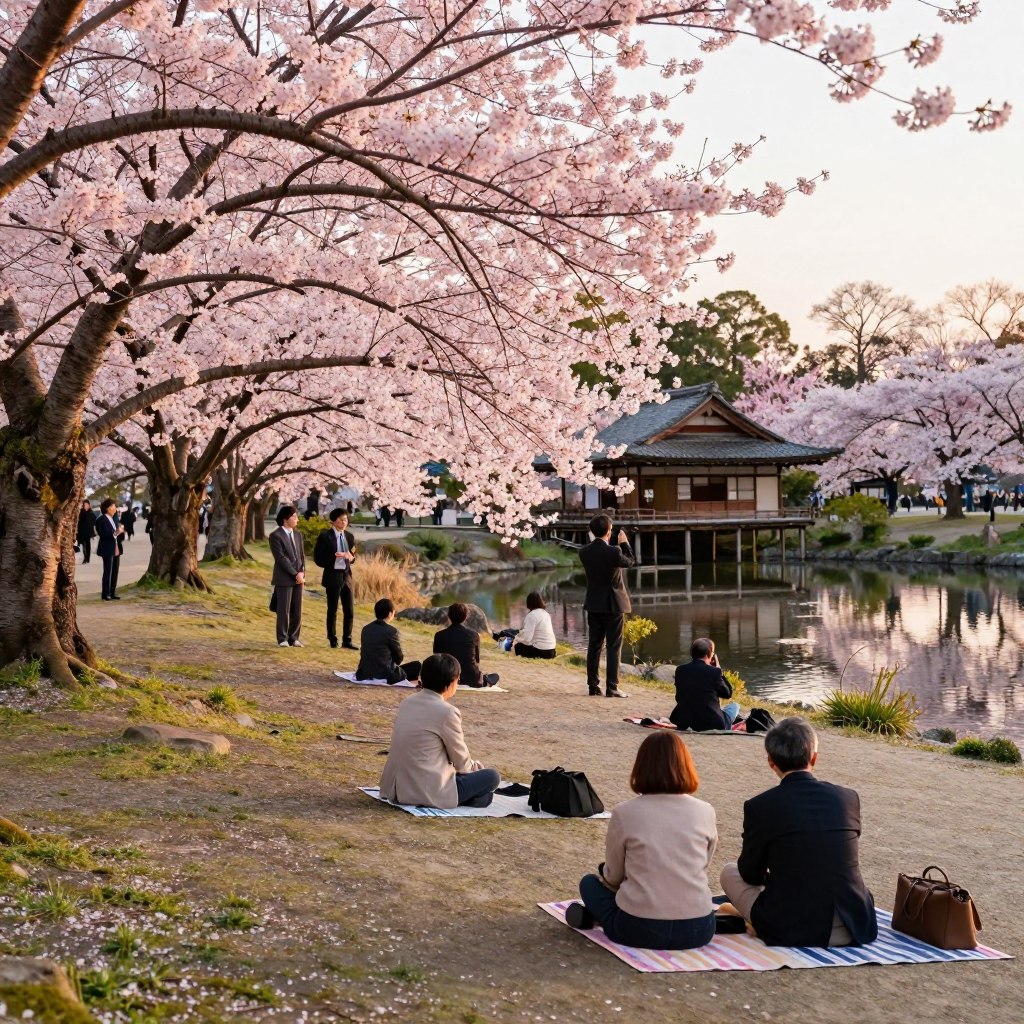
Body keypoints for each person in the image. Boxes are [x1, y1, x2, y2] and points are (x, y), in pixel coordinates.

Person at [720, 717, 877, 948]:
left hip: (793, 928)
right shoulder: (847, 798)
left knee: (729, 872)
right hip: (853, 926)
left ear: (771, 761)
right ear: (814, 757)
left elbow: (750, 874)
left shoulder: (761, 806)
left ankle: (753, 919)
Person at [564, 731, 717, 950]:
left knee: (589, 883)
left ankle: (595, 918)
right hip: (699, 928)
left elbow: (613, 878)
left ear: (641, 767)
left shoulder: (626, 812)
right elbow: (704, 865)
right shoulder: (706, 811)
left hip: (640, 929)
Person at [379, 653, 500, 808]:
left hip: (396, 787)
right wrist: (474, 767)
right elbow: (461, 763)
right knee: (492, 777)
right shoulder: (447, 712)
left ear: (422, 677)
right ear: (451, 683)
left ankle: (471, 797)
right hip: (425, 788)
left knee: (479, 789)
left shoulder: (407, 702)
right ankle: (466, 798)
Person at [579, 513, 634, 698]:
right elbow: (630, 561)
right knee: (613, 646)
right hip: (613, 604)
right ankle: (612, 687)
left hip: (593, 603)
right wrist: (624, 543)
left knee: (594, 645)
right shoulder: (614, 552)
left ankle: (593, 686)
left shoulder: (584, 551)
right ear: (609, 531)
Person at [670, 637, 741, 731]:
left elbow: (679, 696)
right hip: (711, 723)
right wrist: (720, 671)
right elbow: (727, 694)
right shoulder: (714, 672)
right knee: (735, 706)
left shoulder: (680, 670)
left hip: (685, 721)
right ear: (709, 654)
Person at [313, 509, 358, 650]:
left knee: (349, 610)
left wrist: (351, 558)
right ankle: (332, 639)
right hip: (333, 576)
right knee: (332, 610)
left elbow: (353, 556)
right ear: (334, 521)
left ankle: (347, 640)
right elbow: (318, 559)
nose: (344, 522)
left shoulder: (349, 536)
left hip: (347, 576)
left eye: (346, 519)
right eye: (341, 520)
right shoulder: (325, 536)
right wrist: (335, 557)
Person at [356, 598, 421, 684]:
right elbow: (399, 658)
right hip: (384, 674)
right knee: (417, 666)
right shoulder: (392, 631)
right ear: (390, 613)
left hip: (363, 673)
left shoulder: (366, 629)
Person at [433, 603, 498, 688]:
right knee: (495, 676)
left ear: (449, 616)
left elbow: (436, 658)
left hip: (446, 676)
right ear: (465, 617)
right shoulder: (474, 635)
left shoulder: (439, 635)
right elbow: (477, 660)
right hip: (471, 678)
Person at [269, 505, 305, 647]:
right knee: (283, 610)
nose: (296, 519)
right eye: (294, 516)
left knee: (297, 609)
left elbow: (301, 556)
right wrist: (295, 573)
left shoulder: (297, 534)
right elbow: (281, 558)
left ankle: (294, 637)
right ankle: (282, 638)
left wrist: (301, 572)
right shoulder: (275, 536)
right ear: (285, 519)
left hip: (299, 577)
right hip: (284, 577)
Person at [95, 498, 125, 601]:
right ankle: (106, 593)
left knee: (114, 570)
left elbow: (114, 533)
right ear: (108, 508)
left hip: (115, 547)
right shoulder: (101, 519)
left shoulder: (113, 518)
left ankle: (112, 592)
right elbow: (103, 534)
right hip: (107, 547)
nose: (115, 509)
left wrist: (119, 532)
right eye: (113, 507)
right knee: (108, 571)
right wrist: (116, 532)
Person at [513, 591, 557, 659]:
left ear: (529, 603)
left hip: (541, 652)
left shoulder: (531, 616)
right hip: (552, 651)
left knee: (518, 647)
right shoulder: (546, 614)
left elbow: (527, 638)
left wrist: (516, 639)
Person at [76, 500, 96, 564]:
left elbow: (94, 522)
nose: (85, 506)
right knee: (83, 545)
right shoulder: (81, 513)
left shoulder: (91, 513)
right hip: (81, 532)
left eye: (87, 505)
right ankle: (85, 557)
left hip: (88, 533)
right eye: (84, 505)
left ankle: (87, 558)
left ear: (89, 505)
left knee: (87, 545)